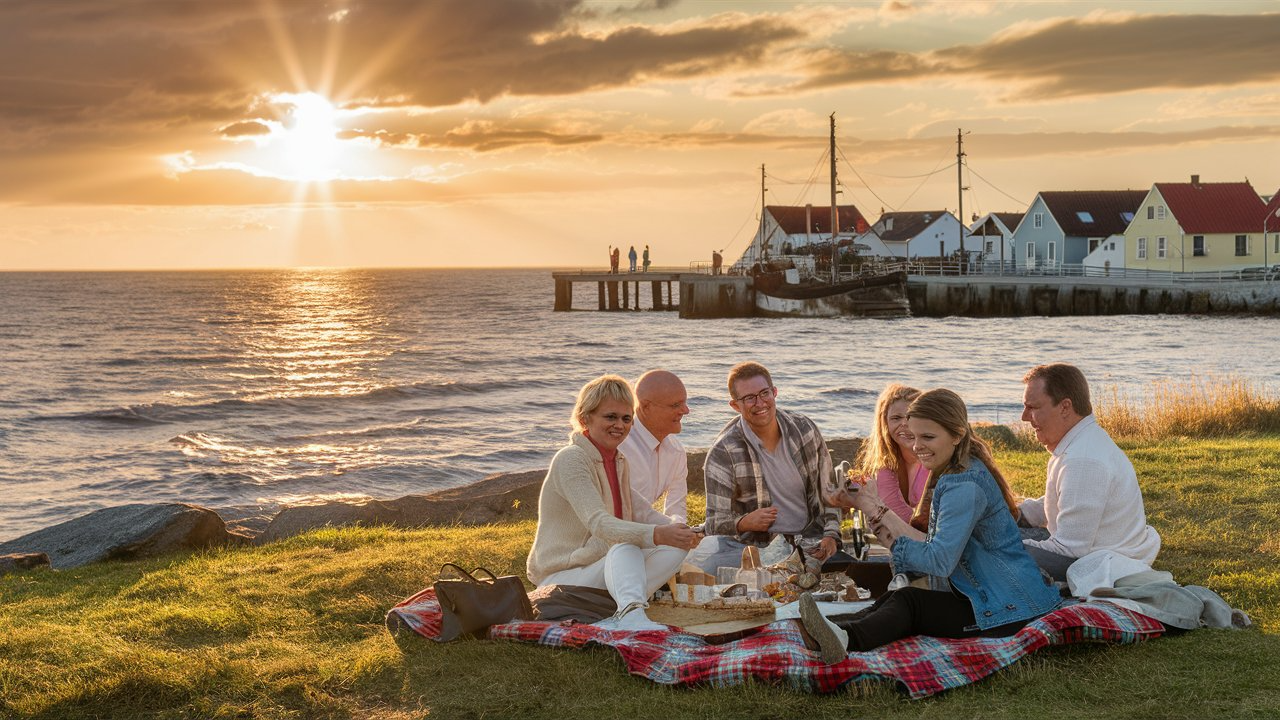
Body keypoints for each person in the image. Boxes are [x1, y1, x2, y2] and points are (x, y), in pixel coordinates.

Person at [798, 388, 1062, 662]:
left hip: (1009, 608)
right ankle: (834, 630)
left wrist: (881, 520)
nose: (916, 446)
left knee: (910, 603)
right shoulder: (955, 471)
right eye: (914, 436)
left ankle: (845, 639)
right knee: (894, 598)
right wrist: (871, 506)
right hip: (990, 592)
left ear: (957, 435)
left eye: (928, 437)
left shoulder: (965, 486)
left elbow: (939, 561)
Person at [526, 375, 702, 631]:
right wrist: (657, 534)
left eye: (626, 418)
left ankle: (621, 608)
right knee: (626, 546)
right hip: (562, 577)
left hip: (601, 567)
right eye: (610, 417)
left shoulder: (617, 460)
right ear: (585, 418)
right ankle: (630, 615)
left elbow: (642, 512)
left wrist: (683, 534)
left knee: (675, 548)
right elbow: (600, 523)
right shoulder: (572, 459)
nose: (620, 425)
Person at [689, 361, 840, 574]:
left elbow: (829, 494)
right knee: (712, 567)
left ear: (775, 392)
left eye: (764, 393)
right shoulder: (723, 452)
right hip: (753, 548)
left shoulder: (805, 429)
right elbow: (715, 523)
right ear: (735, 405)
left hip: (808, 542)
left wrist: (831, 536)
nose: (760, 403)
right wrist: (744, 522)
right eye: (749, 398)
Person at [1018, 363, 1161, 580]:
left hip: (1095, 564)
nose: (1024, 417)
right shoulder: (1082, 441)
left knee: (986, 550)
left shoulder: (1083, 461)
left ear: (1065, 407)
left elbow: (1069, 553)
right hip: (1092, 550)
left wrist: (1002, 547)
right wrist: (1021, 513)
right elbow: (1069, 499)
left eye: (1033, 407)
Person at [618, 370, 690, 523]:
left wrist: (679, 531)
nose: (686, 410)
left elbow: (676, 508)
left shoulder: (676, 451)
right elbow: (623, 517)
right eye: (676, 405)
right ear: (645, 407)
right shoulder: (620, 447)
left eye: (685, 402)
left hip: (645, 535)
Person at [855, 384, 928, 526]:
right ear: (885, 424)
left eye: (911, 416)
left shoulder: (934, 459)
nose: (904, 424)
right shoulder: (886, 464)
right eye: (896, 418)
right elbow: (894, 511)